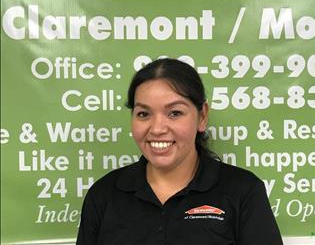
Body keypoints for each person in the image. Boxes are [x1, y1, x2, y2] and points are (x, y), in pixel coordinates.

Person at [76, 58, 283, 245]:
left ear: (202, 116)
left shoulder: (243, 191)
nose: (157, 129)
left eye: (174, 113)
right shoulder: (104, 195)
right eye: (143, 113)